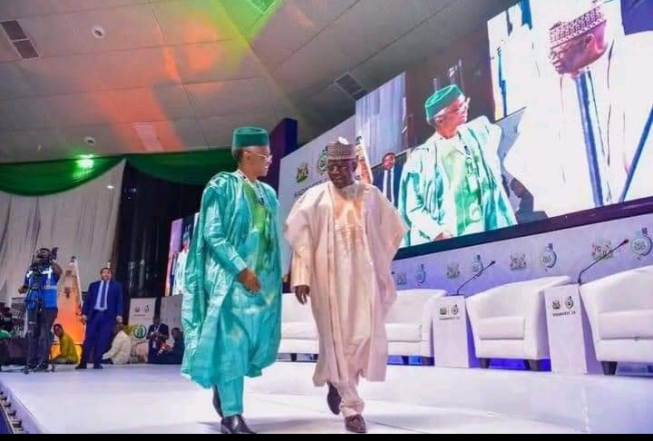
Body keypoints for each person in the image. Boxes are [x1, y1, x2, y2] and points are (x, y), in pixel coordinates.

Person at [285, 140, 407, 434]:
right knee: (335, 339)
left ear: (355, 166)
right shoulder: (315, 198)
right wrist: (301, 275)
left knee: (362, 338)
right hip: (328, 283)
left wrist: (377, 262)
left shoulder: (371, 196)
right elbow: (302, 241)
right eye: (330, 167)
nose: (336, 172)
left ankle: (336, 380)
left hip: (363, 280)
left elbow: (394, 231)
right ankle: (352, 409)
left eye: (342, 166)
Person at [505, 0, 653, 215]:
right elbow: (530, 156)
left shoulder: (641, 57)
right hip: (580, 220)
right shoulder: (552, 85)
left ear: (588, 42)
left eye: (561, 51)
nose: (553, 60)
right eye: (551, 52)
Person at [182, 127, 283, 435]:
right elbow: (213, 234)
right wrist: (240, 269)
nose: (270, 160)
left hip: (258, 286)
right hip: (230, 281)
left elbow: (270, 240)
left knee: (248, 344)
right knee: (232, 346)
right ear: (246, 155)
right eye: (265, 155)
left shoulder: (269, 194)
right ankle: (232, 417)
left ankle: (223, 390)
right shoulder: (222, 186)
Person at [399, 85, 516, 246]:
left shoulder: (477, 132)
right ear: (439, 120)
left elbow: (496, 134)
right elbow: (413, 208)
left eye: (464, 103)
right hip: (450, 240)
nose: (465, 108)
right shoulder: (420, 159)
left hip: (486, 230)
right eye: (457, 108)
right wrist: (438, 233)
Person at [19, 248, 63, 371]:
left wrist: (52, 261)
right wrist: (22, 288)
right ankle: (30, 363)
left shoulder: (51, 269)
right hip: (33, 305)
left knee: (44, 335)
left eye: (43, 256)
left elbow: (60, 272)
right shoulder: (31, 269)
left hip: (48, 306)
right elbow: (25, 285)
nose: (40, 259)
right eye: (39, 256)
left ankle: (43, 363)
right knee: (32, 334)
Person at [77, 268, 123, 370]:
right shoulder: (94, 285)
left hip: (107, 317)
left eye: (109, 272)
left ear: (111, 275)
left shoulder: (116, 286)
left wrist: (119, 314)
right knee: (89, 339)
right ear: (101, 274)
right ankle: (83, 362)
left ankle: (97, 362)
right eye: (104, 272)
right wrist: (84, 313)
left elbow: (119, 302)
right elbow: (88, 301)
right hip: (94, 315)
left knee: (102, 340)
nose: (107, 274)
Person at [57, 257, 85, 345]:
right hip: (62, 309)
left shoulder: (75, 283)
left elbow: (78, 299)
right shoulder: (63, 283)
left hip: (72, 310)